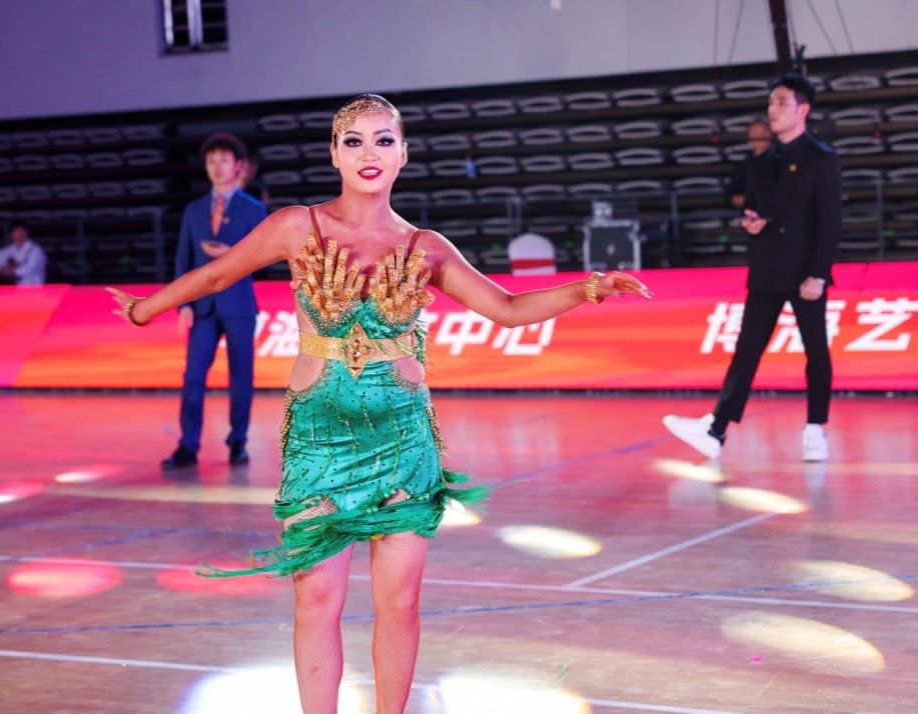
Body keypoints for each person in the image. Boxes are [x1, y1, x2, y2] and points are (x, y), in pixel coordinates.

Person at [107, 94, 650, 714]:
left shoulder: (426, 246)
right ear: (334, 154)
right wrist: (146, 310)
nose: (370, 153)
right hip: (319, 438)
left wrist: (590, 288)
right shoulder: (297, 226)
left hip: (402, 441)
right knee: (316, 599)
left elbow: (505, 308)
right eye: (355, 141)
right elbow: (216, 275)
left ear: (403, 154)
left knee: (400, 603)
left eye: (383, 140)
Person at [664, 74, 841, 463]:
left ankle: (815, 428)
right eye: (771, 102)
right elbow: (757, 210)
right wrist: (752, 222)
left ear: (803, 110)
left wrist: (819, 273)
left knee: (815, 351)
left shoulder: (821, 158)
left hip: (805, 272)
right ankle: (716, 429)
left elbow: (829, 221)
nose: (772, 110)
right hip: (767, 268)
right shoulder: (759, 163)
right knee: (746, 352)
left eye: (781, 102)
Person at [161, 133, 268, 471]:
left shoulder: (254, 209)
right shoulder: (193, 210)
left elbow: (264, 258)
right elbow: (184, 259)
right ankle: (187, 445)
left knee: (241, 379)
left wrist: (232, 255)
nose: (217, 167)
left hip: (239, 306)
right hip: (203, 307)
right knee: (193, 377)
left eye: (224, 160)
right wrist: (183, 304)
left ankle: (238, 442)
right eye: (211, 161)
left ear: (238, 166)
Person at [726, 119, 772, 209]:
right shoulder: (743, 166)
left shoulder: (781, 160)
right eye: (755, 133)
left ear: (770, 134)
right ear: (749, 139)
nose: (760, 136)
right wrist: (752, 201)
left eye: (764, 132)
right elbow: (731, 196)